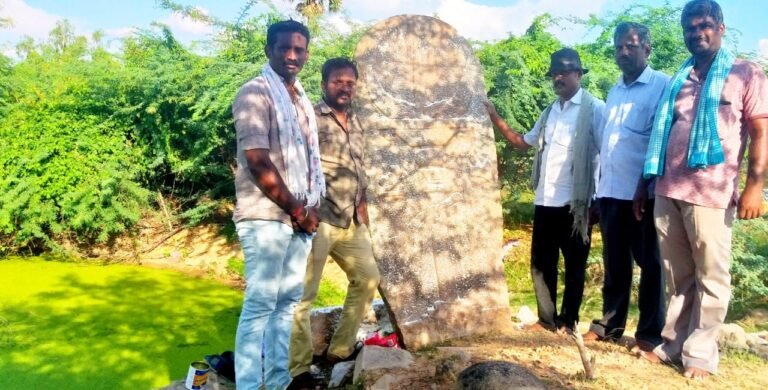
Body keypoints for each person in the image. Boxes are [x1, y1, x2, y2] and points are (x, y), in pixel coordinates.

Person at [636, 0, 768, 380]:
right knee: (677, 276)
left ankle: (700, 355)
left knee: (711, 275)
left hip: (712, 193)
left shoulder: (745, 72)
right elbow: (662, 134)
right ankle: (672, 345)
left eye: (705, 25)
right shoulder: (680, 77)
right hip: (668, 188)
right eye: (690, 28)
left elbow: (761, 131)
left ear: (721, 28)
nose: (697, 33)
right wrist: (645, 185)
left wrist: (754, 187)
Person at [231, 20, 325, 389]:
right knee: (260, 305)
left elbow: (309, 162)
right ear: (268, 50)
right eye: (284, 47)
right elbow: (258, 161)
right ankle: (249, 385)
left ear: (307, 54)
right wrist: (299, 210)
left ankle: (278, 382)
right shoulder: (255, 93)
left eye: (299, 49)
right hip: (265, 216)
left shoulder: (300, 98)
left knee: (287, 304)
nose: (291, 55)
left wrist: (310, 207)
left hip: (299, 218)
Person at [486, 48, 605, 333]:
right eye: (554, 74)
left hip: (576, 204)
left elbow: (606, 154)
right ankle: (547, 321)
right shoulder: (550, 111)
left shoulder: (595, 109)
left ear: (578, 74)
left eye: (564, 72)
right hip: (545, 200)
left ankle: (569, 322)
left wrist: (598, 200)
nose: (558, 78)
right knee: (541, 264)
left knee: (574, 266)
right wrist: (494, 116)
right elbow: (523, 142)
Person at [287, 58, 381, 389]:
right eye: (337, 81)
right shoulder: (310, 117)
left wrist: (363, 205)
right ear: (324, 84)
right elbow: (294, 163)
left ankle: (340, 350)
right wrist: (299, 210)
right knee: (302, 296)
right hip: (317, 218)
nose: (344, 87)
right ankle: (298, 369)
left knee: (368, 277)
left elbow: (359, 166)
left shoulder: (358, 120)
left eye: (350, 83)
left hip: (350, 218)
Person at [582, 22, 668, 353]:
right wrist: (597, 195)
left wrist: (646, 185)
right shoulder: (615, 90)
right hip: (610, 192)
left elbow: (661, 141)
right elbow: (608, 146)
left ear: (647, 48)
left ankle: (650, 334)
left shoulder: (661, 85)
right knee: (615, 263)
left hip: (642, 194)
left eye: (631, 46)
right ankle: (610, 326)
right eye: (619, 46)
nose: (623, 52)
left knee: (651, 265)